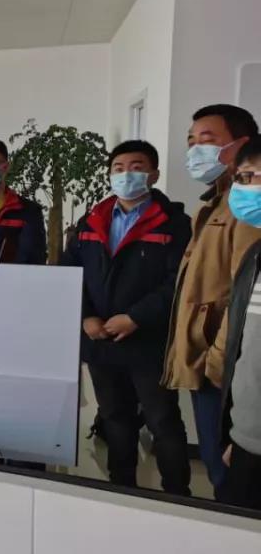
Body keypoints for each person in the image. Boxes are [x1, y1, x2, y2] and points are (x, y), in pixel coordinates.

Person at [61, 140, 191, 495]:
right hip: (100, 339)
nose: (125, 174)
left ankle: (178, 495)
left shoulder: (174, 223)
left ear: (154, 175)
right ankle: (122, 490)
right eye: (118, 168)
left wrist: (135, 317)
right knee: (115, 418)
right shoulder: (91, 220)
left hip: (149, 341)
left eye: (136, 167)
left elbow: (178, 282)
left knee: (162, 420)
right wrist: (86, 317)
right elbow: (69, 272)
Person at [163, 104, 261, 490]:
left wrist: (218, 363)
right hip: (208, 357)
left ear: (242, 144)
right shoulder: (215, 203)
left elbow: (244, 296)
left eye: (207, 140)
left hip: (222, 366)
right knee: (214, 456)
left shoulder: (247, 209)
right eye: (191, 142)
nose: (195, 150)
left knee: (226, 469)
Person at [218, 136, 261, 509]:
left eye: (252, 177)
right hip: (248, 440)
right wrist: (239, 434)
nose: (244, 189)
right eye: (241, 179)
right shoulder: (255, 256)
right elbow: (246, 353)